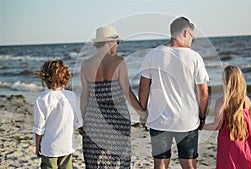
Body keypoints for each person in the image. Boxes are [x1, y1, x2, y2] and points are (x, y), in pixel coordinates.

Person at [138, 17, 209, 169]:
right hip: (187, 121)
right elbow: (203, 93)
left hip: (159, 119)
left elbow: (143, 87)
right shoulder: (194, 57)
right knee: (189, 164)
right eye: (192, 35)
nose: (193, 39)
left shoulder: (153, 54)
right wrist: (202, 117)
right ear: (185, 32)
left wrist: (143, 113)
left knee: (160, 164)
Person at [80, 26, 147, 168]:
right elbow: (127, 92)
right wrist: (142, 113)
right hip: (117, 118)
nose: (117, 45)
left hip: (94, 119)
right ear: (109, 42)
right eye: (117, 42)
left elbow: (84, 96)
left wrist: (82, 120)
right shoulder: (119, 62)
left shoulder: (86, 65)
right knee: (119, 160)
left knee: (95, 162)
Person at [33, 59, 83, 169]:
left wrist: (37, 147)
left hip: (49, 148)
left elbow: (39, 128)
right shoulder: (71, 96)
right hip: (67, 146)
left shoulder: (42, 99)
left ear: (45, 77)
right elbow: (79, 122)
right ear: (65, 76)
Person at [203, 65, 251, 169]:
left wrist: (200, 126)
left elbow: (216, 126)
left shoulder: (222, 102)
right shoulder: (247, 101)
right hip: (244, 145)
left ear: (227, 82)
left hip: (227, 145)